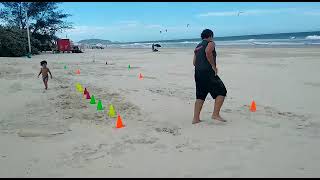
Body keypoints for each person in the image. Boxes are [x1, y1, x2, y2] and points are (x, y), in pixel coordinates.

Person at [192, 29, 227, 124]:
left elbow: (194, 63)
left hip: (198, 73)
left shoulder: (197, 46)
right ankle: (215, 114)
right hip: (207, 72)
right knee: (222, 91)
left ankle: (196, 119)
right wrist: (213, 66)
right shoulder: (211, 43)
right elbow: (208, 52)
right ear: (210, 36)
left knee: (200, 95)